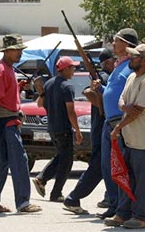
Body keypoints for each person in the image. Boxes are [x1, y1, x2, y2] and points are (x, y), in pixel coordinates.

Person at [0, 34, 42, 213]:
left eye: (21, 50)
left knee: (0, 163)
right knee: (19, 161)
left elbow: (5, 95)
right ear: (7, 51)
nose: (20, 53)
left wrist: (18, 86)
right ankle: (23, 203)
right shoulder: (1, 70)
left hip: (4, 121)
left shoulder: (7, 69)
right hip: (5, 123)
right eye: (17, 50)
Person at [104, 44, 145, 229]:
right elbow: (122, 100)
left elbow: (137, 112)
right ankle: (123, 213)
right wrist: (124, 106)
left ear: (144, 60)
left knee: (142, 181)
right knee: (126, 178)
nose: (131, 59)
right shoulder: (132, 77)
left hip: (143, 140)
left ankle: (141, 216)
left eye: (135, 57)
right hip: (130, 137)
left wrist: (118, 126)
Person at [63, 48, 115, 214]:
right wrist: (102, 106)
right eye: (114, 61)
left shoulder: (103, 77)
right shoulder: (105, 77)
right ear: (108, 62)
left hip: (100, 129)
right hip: (101, 129)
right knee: (98, 167)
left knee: (104, 167)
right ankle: (73, 198)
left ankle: (110, 199)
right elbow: (88, 92)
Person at [94, 28, 138, 220]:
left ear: (127, 45)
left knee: (119, 166)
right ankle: (113, 205)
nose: (113, 44)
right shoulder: (119, 66)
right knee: (107, 166)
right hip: (108, 121)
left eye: (116, 41)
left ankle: (122, 208)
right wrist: (101, 89)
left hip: (119, 122)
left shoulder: (131, 67)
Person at [33, 56, 84, 202]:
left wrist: (41, 92)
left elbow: (39, 104)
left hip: (52, 128)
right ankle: (55, 192)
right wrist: (78, 131)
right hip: (63, 129)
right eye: (72, 68)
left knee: (61, 157)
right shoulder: (67, 87)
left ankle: (42, 179)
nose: (74, 70)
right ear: (66, 69)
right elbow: (71, 111)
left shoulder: (48, 84)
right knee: (66, 162)